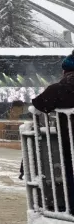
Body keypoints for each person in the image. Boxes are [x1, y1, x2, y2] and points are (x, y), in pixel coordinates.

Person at [31, 50, 74, 209]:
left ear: (65, 71)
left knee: (70, 174)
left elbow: (39, 105)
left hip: (69, 143)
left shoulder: (58, 89)